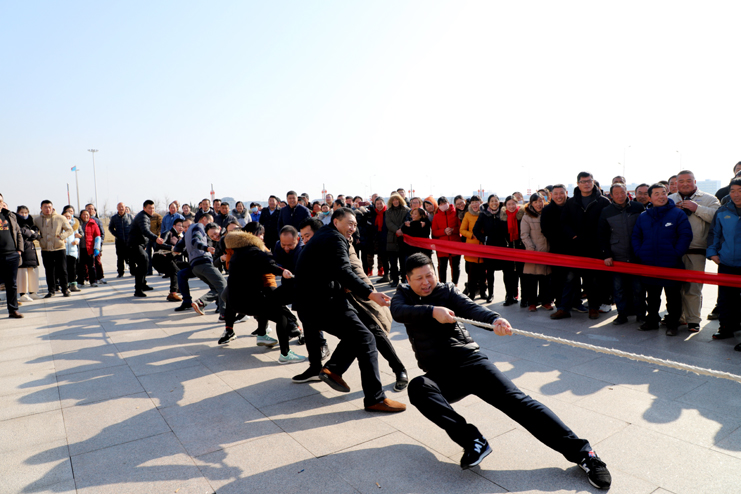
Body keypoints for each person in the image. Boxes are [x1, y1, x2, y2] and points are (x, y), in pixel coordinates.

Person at [390, 253, 612, 489]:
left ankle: (585, 454)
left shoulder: (447, 292)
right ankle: (473, 441)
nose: (426, 282)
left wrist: (495, 319)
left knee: (520, 403)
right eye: (419, 279)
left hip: (470, 362)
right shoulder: (402, 296)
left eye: (430, 275)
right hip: (441, 374)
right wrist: (433, 311)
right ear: (408, 279)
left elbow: (473, 309)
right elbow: (398, 311)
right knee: (419, 388)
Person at [292, 208, 407, 413]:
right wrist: (371, 294)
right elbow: (344, 271)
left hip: (314, 304)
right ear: (336, 222)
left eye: (355, 224)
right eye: (349, 223)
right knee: (366, 338)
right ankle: (374, 398)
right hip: (323, 303)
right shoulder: (335, 239)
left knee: (359, 336)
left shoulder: (326, 236)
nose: (353, 228)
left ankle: (334, 370)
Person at [632, 184, 692, 335]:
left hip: (671, 263)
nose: (661, 196)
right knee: (652, 296)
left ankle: (673, 324)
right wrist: (640, 252)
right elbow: (636, 236)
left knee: (673, 297)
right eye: (656, 194)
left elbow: (685, 235)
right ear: (650, 198)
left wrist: (676, 253)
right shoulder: (643, 216)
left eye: (663, 193)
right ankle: (652, 321)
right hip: (649, 263)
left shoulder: (677, 214)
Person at [668, 170, 720, 332]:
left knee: (693, 288)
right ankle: (678, 317)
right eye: (681, 181)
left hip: (696, 250)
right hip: (673, 252)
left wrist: (697, 208)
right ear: (676, 183)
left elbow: (717, 218)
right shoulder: (670, 199)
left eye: (688, 180)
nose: (685, 184)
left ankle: (693, 320)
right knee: (675, 288)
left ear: (695, 182)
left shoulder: (709, 199)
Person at [560, 172, 611, 319]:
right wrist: (573, 236)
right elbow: (564, 222)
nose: (587, 184)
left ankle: (593, 308)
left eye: (589, 181)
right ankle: (564, 308)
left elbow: (608, 225)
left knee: (593, 280)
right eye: (583, 181)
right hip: (575, 247)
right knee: (570, 278)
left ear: (593, 182)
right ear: (578, 184)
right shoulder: (571, 202)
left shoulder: (603, 201)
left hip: (595, 247)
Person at [598, 183, 645, 325]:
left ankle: (641, 315)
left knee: (639, 288)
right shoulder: (606, 211)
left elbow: (645, 231)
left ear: (627, 193)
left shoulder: (638, 207)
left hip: (636, 255)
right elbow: (602, 235)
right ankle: (622, 315)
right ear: (611, 195)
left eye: (622, 192)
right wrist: (606, 254)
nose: (620, 196)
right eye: (616, 193)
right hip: (616, 256)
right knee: (618, 289)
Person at [707, 177, 741, 349]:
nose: (736, 194)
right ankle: (726, 327)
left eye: (740, 190)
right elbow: (714, 233)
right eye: (732, 191)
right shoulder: (722, 211)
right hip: (727, 262)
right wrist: (712, 253)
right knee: (726, 299)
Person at [541, 185, 571, 314]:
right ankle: (560, 306)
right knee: (558, 279)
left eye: (561, 193)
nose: (559, 196)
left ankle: (575, 303)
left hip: (574, 247)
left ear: (566, 193)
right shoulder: (547, 210)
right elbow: (545, 230)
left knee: (573, 278)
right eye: (556, 194)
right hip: (556, 249)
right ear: (551, 195)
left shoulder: (572, 206)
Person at [472, 194, 508, 304]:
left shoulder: (504, 212)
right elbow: (475, 230)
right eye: (492, 201)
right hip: (489, 248)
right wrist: (485, 239)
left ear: (499, 202)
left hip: (503, 247)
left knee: (506, 272)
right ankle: (491, 294)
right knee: (490, 273)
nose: (494, 203)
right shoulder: (483, 214)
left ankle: (508, 295)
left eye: (496, 201)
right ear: (488, 203)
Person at [521, 193, 553, 311]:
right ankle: (532, 303)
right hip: (533, 252)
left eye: (540, 201)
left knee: (546, 278)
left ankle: (545, 301)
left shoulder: (548, 213)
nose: (539, 204)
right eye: (535, 202)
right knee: (532, 279)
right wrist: (531, 249)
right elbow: (524, 235)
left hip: (547, 251)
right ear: (531, 204)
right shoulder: (527, 216)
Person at [128, 200, 165, 297]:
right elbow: (145, 231)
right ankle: (138, 290)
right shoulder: (143, 217)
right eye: (149, 208)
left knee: (144, 263)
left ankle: (143, 285)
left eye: (153, 208)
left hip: (139, 244)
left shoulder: (145, 216)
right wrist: (156, 238)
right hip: (135, 245)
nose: (151, 210)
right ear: (144, 208)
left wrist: (144, 245)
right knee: (142, 264)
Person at [36, 200, 73, 298]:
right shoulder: (37, 220)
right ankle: (51, 290)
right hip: (46, 249)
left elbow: (70, 230)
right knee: (49, 271)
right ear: (41, 208)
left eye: (49, 207)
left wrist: (61, 236)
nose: (47, 209)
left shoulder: (60, 218)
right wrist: (39, 238)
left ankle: (65, 289)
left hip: (59, 248)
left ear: (52, 207)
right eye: (45, 207)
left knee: (62, 270)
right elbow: (34, 231)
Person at [0, 194, 24, 318]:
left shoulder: (9, 215)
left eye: (0, 201)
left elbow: (18, 232)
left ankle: (13, 310)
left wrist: (19, 250)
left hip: (11, 254)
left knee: (12, 284)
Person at [500, 195, 526, 307]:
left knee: (523, 275)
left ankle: (524, 298)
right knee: (508, 275)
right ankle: (509, 296)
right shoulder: (502, 218)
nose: (511, 206)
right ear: (505, 205)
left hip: (521, 249)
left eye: (513, 204)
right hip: (507, 250)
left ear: (517, 204)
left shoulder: (522, 216)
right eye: (509, 204)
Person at [153, 218, 186, 302]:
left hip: (171, 260)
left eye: (183, 226)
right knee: (176, 271)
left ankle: (178, 286)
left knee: (187, 267)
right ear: (174, 226)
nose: (181, 228)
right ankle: (172, 293)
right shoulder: (168, 233)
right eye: (179, 225)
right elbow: (160, 244)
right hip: (160, 258)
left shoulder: (181, 237)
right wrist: (172, 248)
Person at [431, 196, 461, 285]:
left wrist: (453, 230)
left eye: (444, 203)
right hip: (442, 247)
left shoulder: (456, 213)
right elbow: (434, 232)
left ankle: (455, 284)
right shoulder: (436, 216)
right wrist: (444, 231)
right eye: (440, 204)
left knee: (455, 266)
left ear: (448, 203)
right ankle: (442, 285)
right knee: (442, 267)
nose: (443, 205)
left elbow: (461, 228)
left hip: (455, 244)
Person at [460, 195, 485, 300]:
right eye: (472, 202)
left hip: (483, 247)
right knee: (471, 274)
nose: (475, 204)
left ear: (481, 203)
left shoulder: (485, 213)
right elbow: (462, 230)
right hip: (471, 248)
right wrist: (471, 235)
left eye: (477, 202)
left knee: (483, 274)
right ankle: (472, 293)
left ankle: (483, 293)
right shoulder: (468, 214)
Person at [15, 205, 41, 301]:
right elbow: (24, 233)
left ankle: (33, 292)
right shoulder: (16, 222)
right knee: (23, 273)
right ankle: (23, 294)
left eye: (25, 212)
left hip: (31, 250)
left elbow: (36, 235)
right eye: (21, 212)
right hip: (22, 249)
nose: (24, 214)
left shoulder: (31, 222)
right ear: (18, 213)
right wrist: (31, 233)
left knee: (33, 272)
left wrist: (32, 233)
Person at [385, 192, 410, 287]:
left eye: (397, 200)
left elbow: (406, 221)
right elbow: (388, 223)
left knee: (404, 262)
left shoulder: (406, 210)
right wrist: (397, 230)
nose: (395, 201)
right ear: (391, 201)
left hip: (403, 238)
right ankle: (395, 280)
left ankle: (404, 279)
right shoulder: (388, 211)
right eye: (393, 200)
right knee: (393, 262)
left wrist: (401, 229)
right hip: (392, 238)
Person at [108, 202, 134, 278]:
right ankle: (120, 272)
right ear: (117, 208)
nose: (121, 208)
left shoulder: (130, 217)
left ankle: (133, 271)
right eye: (119, 207)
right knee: (120, 258)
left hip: (129, 241)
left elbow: (134, 227)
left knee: (131, 257)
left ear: (125, 208)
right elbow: (110, 228)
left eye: (122, 207)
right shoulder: (114, 218)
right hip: (119, 241)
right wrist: (116, 234)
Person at [78, 210, 102, 287]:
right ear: (80, 215)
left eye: (87, 214)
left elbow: (97, 236)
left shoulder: (93, 224)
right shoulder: (78, 224)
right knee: (81, 266)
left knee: (91, 266)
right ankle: (80, 281)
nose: (85, 216)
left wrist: (97, 248)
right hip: (80, 249)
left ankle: (93, 281)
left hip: (90, 249)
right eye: (84, 214)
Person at [84, 203, 107, 284]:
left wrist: (99, 245)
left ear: (94, 210)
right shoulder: (82, 221)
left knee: (97, 262)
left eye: (92, 209)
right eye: (88, 209)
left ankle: (100, 277)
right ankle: (87, 278)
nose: (90, 210)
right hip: (86, 246)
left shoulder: (97, 221)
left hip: (96, 246)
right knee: (87, 263)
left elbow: (102, 234)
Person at [61, 206, 82, 293]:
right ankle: (65, 285)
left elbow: (77, 236)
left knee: (73, 268)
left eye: (69, 216)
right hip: (63, 250)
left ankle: (73, 285)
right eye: (65, 216)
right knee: (64, 269)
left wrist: (76, 240)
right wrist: (62, 240)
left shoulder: (74, 225)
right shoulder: (60, 225)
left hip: (72, 250)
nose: (67, 218)